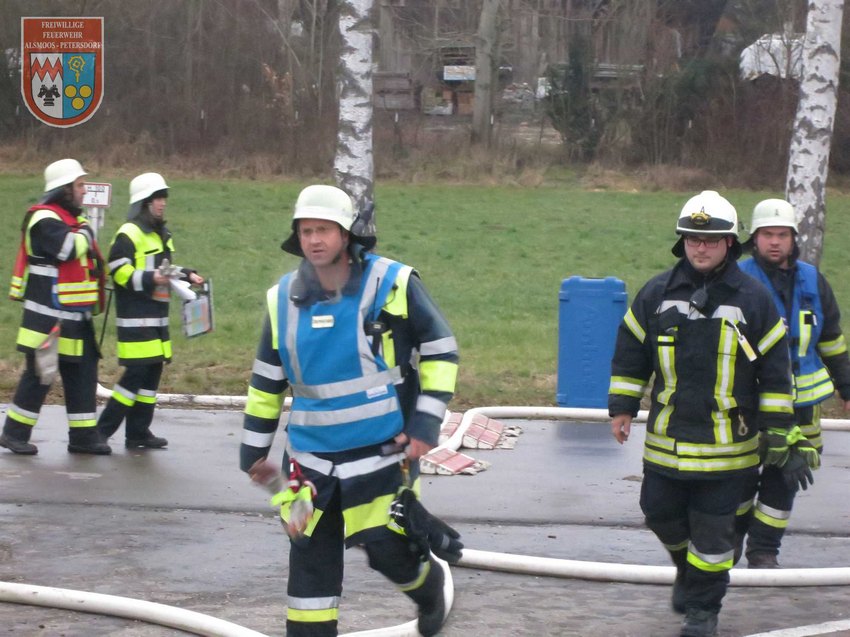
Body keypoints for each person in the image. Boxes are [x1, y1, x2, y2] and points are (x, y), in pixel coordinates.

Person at [239, 185, 461, 637]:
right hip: (305, 462)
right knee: (307, 557)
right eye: (305, 231)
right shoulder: (281, 298)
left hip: (381, 451)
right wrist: (252, 451)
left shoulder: (393, 282)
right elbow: (266, 380)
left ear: (346, 234)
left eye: (323, 230)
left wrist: (425, 423)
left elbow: (440, 349)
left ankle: (429, 585)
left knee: (385, 548)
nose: (314, 240)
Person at [608, 191, 812, 637]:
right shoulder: (657, 294)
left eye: (711, 240)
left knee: (714, 539)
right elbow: (630, 352)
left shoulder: (754, 300)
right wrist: (622, 406)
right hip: (666, 445)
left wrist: (781, 434)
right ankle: (689, 570)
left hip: (729, 452)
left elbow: (778, 374)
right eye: (692, 240)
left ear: (729, 244)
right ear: (682, 243)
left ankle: (703, 611)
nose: (700, 248)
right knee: (657, 513)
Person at [736, 198, 850, 568]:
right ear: (754, 238)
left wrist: (847, 387)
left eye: (781, 235)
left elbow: (831, 340)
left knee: (787, 474)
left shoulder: (813, 281)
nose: (774, 242)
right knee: (738, 472)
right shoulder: (738, 280)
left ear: (793, 238)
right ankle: (728, 540)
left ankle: (764, 549)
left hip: (803, 404)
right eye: (767, 234)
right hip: (749, 400)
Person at [2, 158, 110, 455]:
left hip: (75, 318)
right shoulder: (44, 219)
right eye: (79, 185)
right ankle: (13, 433)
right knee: (39, 377)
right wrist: (87, 231)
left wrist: (84, 229)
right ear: (63, 190)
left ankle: (83, 437)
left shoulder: (72, 220)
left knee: (83, 375)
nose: (84, 190)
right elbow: (67, 249)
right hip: (47, 320)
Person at [97, 173, 204, 449]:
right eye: (157, 198)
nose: (162, 203)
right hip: (135, 319)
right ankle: (100, 432)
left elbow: (164, 269)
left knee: (150, 377)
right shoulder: (128, 234)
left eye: (163, 197)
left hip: (156, 318)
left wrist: (187, 274)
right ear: (143, 202)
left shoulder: (162, 234)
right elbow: (118, 271)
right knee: (134, 377)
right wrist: (150, 279)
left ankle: (138, 433)